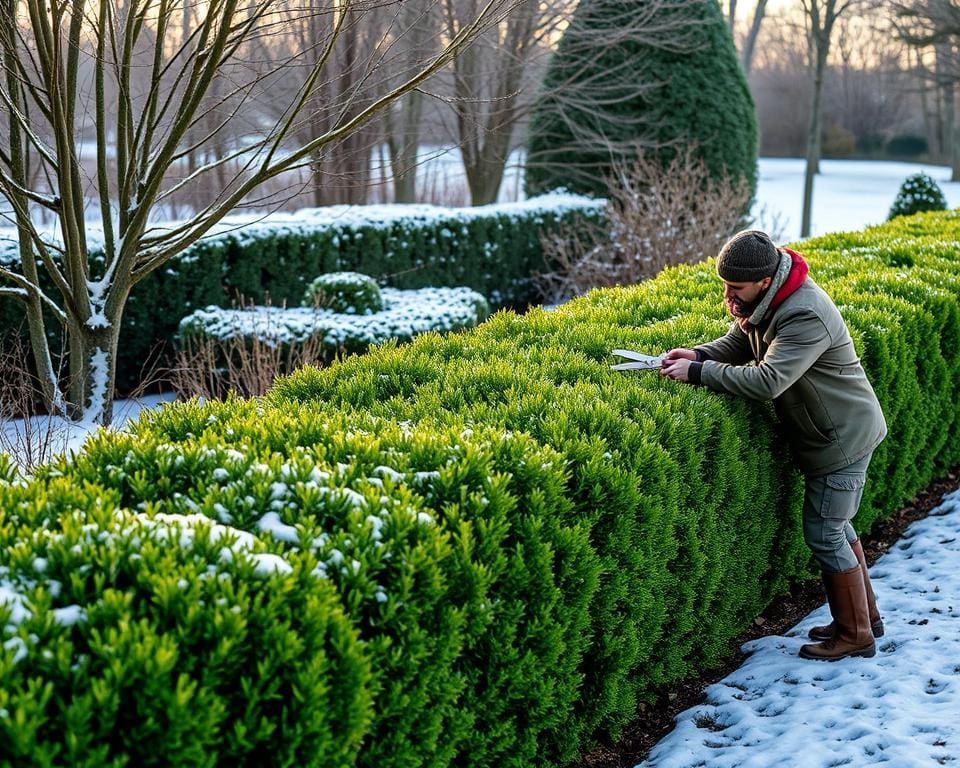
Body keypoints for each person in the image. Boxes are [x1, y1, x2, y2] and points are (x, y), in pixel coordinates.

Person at [660, 229, 887, 661]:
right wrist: (698, 355)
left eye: (734, 287)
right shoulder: (770, 297)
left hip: (842, 437)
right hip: (830, 432)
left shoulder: (804, 314)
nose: (727, 294)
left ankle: (856, 635)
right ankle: (862, 619)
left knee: (824, 532)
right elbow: (741, 342)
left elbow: (768, 380)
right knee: (836, 527)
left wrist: (697, 375)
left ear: (763, 281)